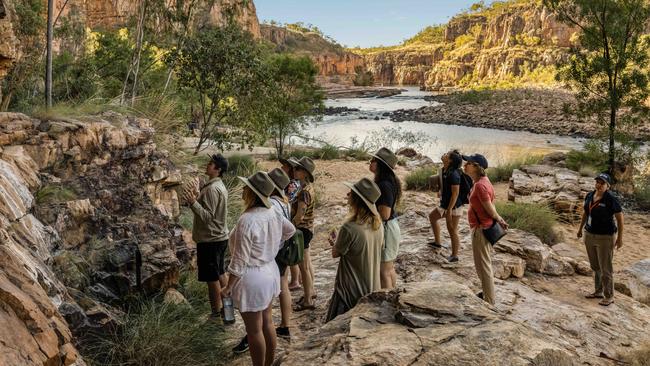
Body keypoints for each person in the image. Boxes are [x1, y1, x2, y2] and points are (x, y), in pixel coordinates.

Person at [222, 172, 295, 366]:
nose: (243, 190)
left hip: (252, 276)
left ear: (253, 193)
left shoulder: (247, 220)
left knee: (254, 330)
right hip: (270, 270)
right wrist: (272, 246)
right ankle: (269, 363)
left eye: (246, 188)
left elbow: (239, 260)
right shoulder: (273, 212)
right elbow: (290, 230)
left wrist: (228, 286)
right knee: (268, 321)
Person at [325, 178, 384, 322]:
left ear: (357, 200)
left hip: (348, 292)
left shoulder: (349, 228)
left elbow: (335, 253)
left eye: (351, 193)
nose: (347, 194)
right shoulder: (379, 225)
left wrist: (335, 241)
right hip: (371, 290)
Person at [182, 153, 230, 323]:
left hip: (210, 240)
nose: (208, 165)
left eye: (211, 164)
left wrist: (193, 202)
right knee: (221, 273)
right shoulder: (218, 186)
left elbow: (208, 217)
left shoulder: (211, 189)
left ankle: (216, 314)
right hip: (220, 238)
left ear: (218, 169)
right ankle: (228, 312)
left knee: (212, 279)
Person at [463, 154, 508, 306]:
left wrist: (499, 218)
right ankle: (487, 293)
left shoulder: (481, 185)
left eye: (468, 163)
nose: (464, 165)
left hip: (481, 229)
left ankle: (489, 300)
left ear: (476, 166)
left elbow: (490, 209)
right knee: (481, 264)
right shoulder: (482, 181)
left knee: (484, 265)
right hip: (482, 227)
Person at [577, 173, 624, 306]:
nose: (598, 185)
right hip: (590, 235)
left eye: (602, 183)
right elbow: (586, 212)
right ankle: (598, 291)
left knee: (605, 268)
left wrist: (620, 239)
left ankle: (609, 296)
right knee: (595, 266)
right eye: (597, 182)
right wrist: (580, 229)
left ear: (608, 186)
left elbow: (620, 220)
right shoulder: (590, 195)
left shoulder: (611, 199)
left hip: (605, 238)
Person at [369, 147, 402, 289]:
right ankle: (391, 297)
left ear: (380, 164)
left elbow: (384, 214)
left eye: (373, 160)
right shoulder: (387, 181)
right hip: (390, 227)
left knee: (384, 271)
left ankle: (386, 302)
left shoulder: (384, 185)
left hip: (387, 229)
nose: (370, 162)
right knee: (388, 268)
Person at [428, 150, 464, 262]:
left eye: (447, 155)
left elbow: (455, 194)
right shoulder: (445, 170)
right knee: (432, 217)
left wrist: (449, 210)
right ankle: (437, 243)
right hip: (445, 205)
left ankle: (455, 255)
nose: (444, 154)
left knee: (452, 230)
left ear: (450, 160)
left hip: (454, 207)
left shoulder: (453, 174)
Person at [292, 157, 317, 311]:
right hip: (307, 230)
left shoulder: (304, 192)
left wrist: (287, 228)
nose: (294, 170)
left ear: (305, 173)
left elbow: (299, 215)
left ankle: (308, 300)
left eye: (298, 169)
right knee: (306, 266)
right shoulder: (307, 188)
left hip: (302, 231)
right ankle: (310, 293)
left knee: (304, 268)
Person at [279, 157, 302, 291]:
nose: (282, 168)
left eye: (285, 166)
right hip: (291, 219)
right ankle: (296, 279)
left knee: (291, 250)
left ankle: (294, 280)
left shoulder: (292, 184)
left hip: (290, 220)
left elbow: (287, 201)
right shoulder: (294, 183)